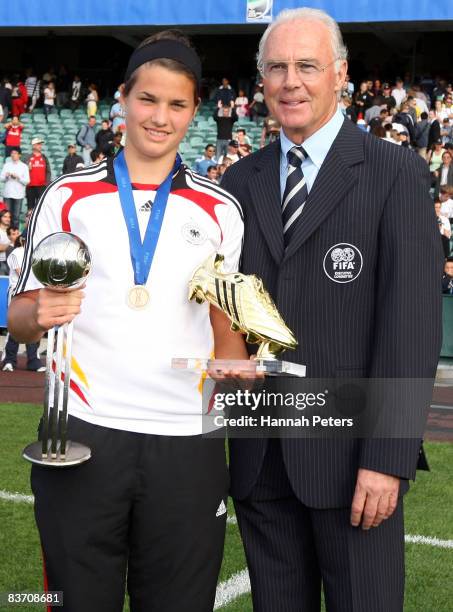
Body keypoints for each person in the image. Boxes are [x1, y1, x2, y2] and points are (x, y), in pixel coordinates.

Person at [8, 28, 247, 612]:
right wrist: (37, 314)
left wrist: (240, 363)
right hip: (82, 434)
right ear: (122, 99)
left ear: (194, 111)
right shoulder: (68, 196)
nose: (159, 117)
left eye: (177, 103)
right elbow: (19, 317)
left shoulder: (221, 211)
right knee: (76, 600)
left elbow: (225, 328)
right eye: (148, 99)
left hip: (186, 443)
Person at [221, 7, 442, 612]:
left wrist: (387, 457)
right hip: (262, 455)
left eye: (307, 66)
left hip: (352, 464)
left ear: (340, 74)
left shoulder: (395, 173)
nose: (291, 81)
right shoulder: (238, 183)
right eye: (276, 68)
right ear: (260, 80)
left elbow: (412, 328)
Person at [2, 234, 45, 372]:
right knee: (16, 325)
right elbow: (22, 273)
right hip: (17, 292)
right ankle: (9, 360)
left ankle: (33, 361)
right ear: (23, 240)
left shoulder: (37, 254)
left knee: (33, 325)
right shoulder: (17, 252)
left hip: (33, 291)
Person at [0, 149, 30, 226]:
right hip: (7, 194)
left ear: (19, 155)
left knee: (16, 217)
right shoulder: (7, 165)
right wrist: (6, 176)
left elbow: (27, 181)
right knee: (6, 216)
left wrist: (18, 177)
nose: (13, 155)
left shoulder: (24, 166)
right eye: (12, 153)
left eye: (15, 153)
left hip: (18, 195)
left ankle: (15, 234)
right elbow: (1, 178)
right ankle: (6, 234)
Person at [24, 138, 51, 211]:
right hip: (30, 186)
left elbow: (48, 171)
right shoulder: (27, 157)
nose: (40, 146)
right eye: (38, 144)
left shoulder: (44, 157)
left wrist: (46, 183)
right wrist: (27, 169)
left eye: (40, 144)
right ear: (34, 146)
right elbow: (22, 171)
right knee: (30, 209)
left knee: (41, 208)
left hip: (42, 187)